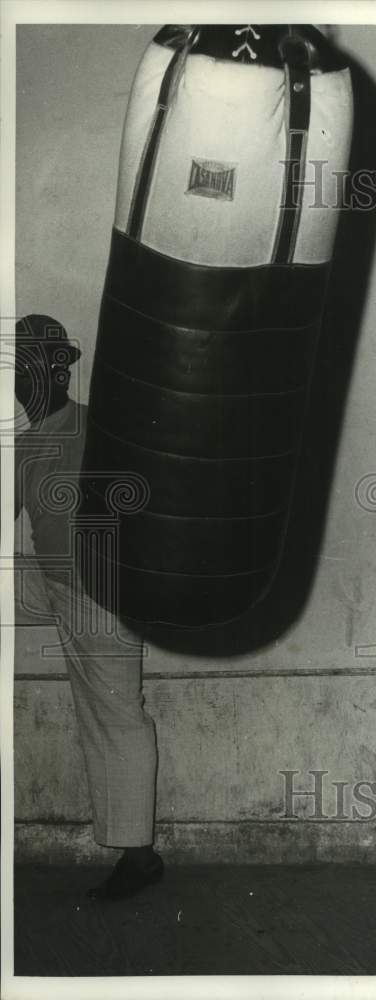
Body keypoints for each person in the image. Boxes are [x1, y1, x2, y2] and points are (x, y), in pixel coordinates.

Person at [14, 314, 163, 901]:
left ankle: (140, 856)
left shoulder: (102, 428)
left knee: (117, 715)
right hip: (48, 582)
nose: (23, 384)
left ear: (59, 369)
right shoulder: (22, 444)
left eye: (32, 369)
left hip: (103, 595)